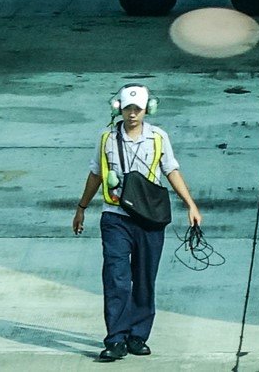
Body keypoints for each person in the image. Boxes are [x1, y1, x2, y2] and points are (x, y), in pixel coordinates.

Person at [71, 84, 203, 362]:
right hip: (115, 217)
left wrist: (190, 204)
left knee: (144, 278)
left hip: (149, 219)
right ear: (118, 107)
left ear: (147, 109)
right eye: (128, 108)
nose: (133, 114)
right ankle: (115, 339)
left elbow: (171, 170)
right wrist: (81, 207)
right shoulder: (106, 138)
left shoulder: (158, 138)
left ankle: (137, 335)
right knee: (116, 278)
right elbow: (95, 174)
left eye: (138, 109)